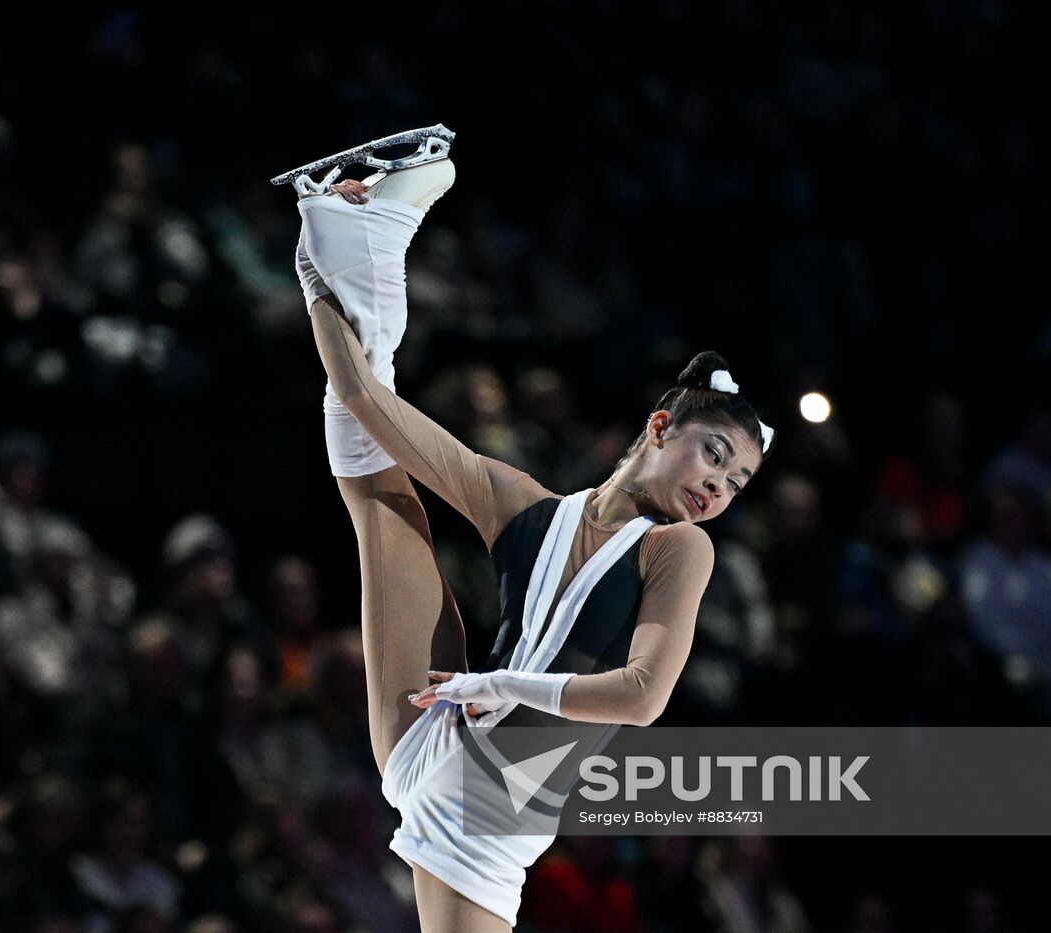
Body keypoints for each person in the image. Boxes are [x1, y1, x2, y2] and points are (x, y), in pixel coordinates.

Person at [289, 148, 774, 931]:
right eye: (715, 455)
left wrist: (504, 684)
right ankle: (354, 239)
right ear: (660, 426)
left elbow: (643, 696)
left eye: (737, 482)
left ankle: (355, 238)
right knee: (375, 487)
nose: (719, 486)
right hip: (455, 764)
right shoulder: (528, 503)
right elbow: (362, 399)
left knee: (374, 488)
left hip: (462, 767)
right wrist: (314, 283)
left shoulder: (681, 547)